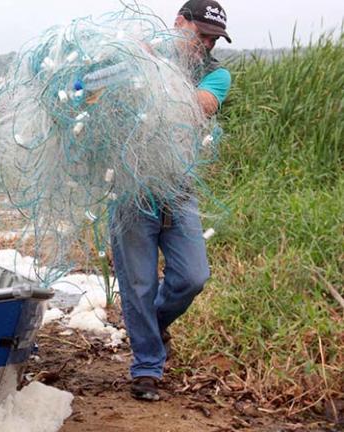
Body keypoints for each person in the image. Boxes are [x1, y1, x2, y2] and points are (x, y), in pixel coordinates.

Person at [111, 0, 232, 401]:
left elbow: (202, 104)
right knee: (139, 284)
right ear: (179, 23)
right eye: (201, 35)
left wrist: (152, 71)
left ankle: (153, 325)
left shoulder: (216, 74)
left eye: (214, 40)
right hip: (131, 190)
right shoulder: (137, 57)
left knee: (192, 277)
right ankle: (147, 366)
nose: (207, 46)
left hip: (179, 192)